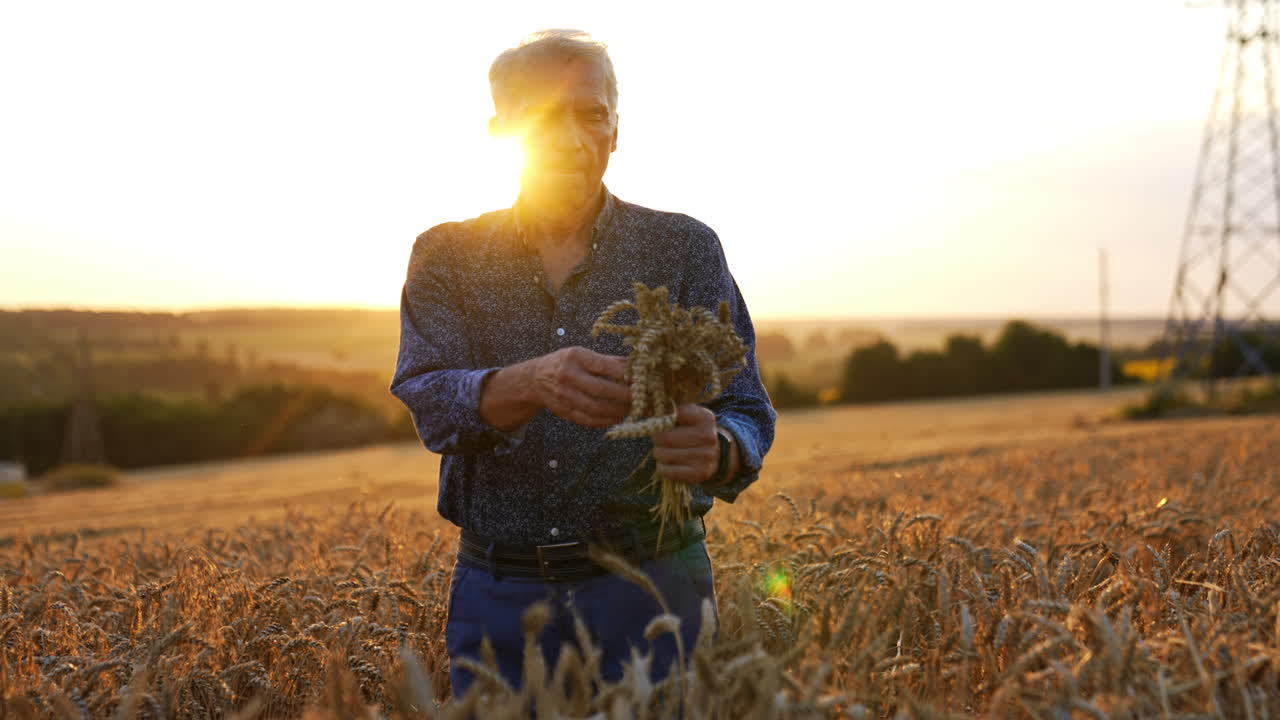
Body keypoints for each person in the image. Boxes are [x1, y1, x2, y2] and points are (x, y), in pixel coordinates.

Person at [389, 29, 776, 699]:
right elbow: (428, 399)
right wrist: (529, 381)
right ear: (502, 129)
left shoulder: (683, 248)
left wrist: (718, 447)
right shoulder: (444, 255)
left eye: (591, 114)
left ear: (616, 128)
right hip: (500, 596)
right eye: (543, 115)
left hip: (655, 588)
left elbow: (746, 408)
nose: (571, 138)